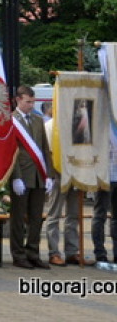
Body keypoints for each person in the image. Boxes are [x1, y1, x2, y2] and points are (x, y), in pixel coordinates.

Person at [9, 84, 53, 270]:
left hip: (38, 175)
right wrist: (15, 177)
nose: (31, 105)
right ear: (18, 100)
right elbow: (11, 151)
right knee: (18, 218)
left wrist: (48, 175)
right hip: (21, 175)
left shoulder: (37, 119)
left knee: (36, 218)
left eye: (33, 102)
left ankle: (33, 253)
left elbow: (44, 149)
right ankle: (18, 255)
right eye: (28, 102)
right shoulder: (11, 120)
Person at [44, 113, 88, 266]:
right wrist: (51, 175)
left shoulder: (77, 124)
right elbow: (48, 152)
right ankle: (54, 252)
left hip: (75, 173)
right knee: (54, 214)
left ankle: (72, 251)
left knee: (73, 215)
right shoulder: (50, 125)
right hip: (58, 174)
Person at [91, 122, 117, 265]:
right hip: (103, 176)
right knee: (100, 215)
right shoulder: (101, 123)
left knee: (116, 217)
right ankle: (100, 253)